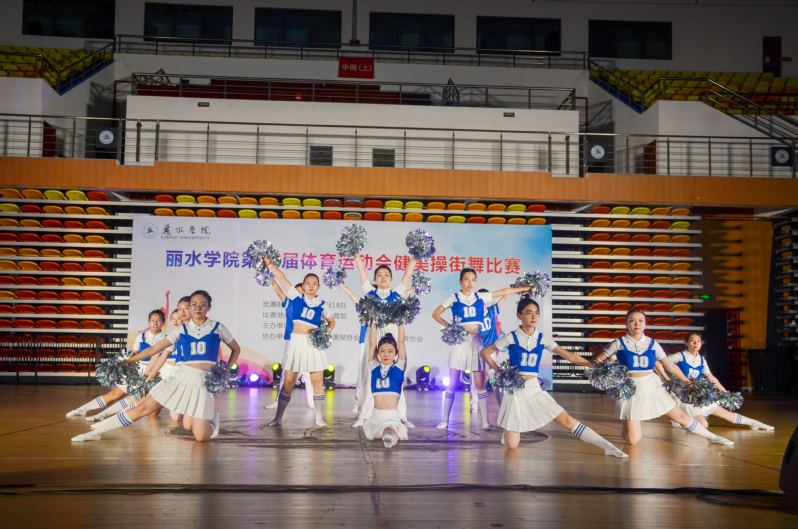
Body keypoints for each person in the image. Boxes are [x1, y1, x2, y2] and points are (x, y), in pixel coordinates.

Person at [71, 290, 241, 442]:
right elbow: (153, 349)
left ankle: (213, 421)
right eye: (194, 304)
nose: (198, 308)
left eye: (202, 304)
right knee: (143, 407)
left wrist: (226, 371)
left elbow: (236, 349)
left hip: (203, 382)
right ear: (190, 307)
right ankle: (96, 433)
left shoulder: (217, 328)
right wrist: (128, 361)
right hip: (181, 377)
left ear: (209, 307)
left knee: (201, 436)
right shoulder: (181, 330)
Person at [480, 299, 627, 456]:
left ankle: (608, 447)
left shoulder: (542, 338)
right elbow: (484, 352)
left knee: (568, 420)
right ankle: (508, 432)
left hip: (534, 389)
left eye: (536, 313)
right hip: (515, 392)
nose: (533, 316)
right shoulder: (511, 337)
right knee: (511, 445)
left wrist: (593, 366)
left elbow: (569, 356)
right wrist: (499, 371)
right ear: (519, 315)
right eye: (528, 313)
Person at [592, 309, 734, 447]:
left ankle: (713, 437)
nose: (637, 324)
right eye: (632, 321)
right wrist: (612, 377)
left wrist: (689, 383)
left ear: (645, 323)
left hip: (652, 385)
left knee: (681, 417)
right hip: (630, 388)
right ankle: (629, 424)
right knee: (632, 440)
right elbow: (597, 360)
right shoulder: (618, 343)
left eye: (641, 320)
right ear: (626, 323)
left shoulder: (652, 343)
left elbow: (670, 366)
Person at [432, 268, 531, 430]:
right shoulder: (453, 297)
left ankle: (486, 422)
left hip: (476, 342)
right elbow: (436, 314)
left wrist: (525, 288)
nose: (470, 283)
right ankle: (444, 420)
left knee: (479, 383)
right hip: (459, 343)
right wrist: (450, 327)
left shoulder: (480, 296)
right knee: (452, 383)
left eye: (473, 279)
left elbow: (504, 292)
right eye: (466, 279)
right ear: (460, 281)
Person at [263, 258, 335, 427]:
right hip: (296, 343)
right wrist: (268, 262)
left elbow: (332, 322)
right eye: (307, 283)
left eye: (314, 283)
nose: (311, 285)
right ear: (303, 285)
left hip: (314, 345)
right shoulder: (296, 297)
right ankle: (278, 417)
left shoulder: (322, 304)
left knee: (317, 382)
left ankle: (319, 418)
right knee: (288, 383)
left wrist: (324, 333)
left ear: (318, 287)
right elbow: (281, 278)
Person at [66, 309, 170, 419]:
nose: (155, 323)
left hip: (153, 374)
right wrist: (122, 363)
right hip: (137, 371)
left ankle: (107, 417)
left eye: (158, 320)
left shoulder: (166, 339)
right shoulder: (142, 336)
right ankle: (82, 410)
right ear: (149, 322)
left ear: (163, 323)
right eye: (152, 320)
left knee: (151, 410)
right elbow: (134, 353)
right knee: (114, 394)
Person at [658, 332, 773, 431]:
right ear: (686, 343)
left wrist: (724, 391)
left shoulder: (701, 359)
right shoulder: (680, 356)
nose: (696, 343)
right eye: (692, 340)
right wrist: (666, 378)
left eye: (698, 341)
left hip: (698, 395)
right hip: (684, 397)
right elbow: (658, 362)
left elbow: (711, 377)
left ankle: (755, 423)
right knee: (703, 425)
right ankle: (680, 420)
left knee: (725, 414)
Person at [352, 254, 415, 429]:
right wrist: (356, 254)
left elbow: (407, 274)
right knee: (369, 376)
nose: (383, 277)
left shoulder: (397, 293)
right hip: (374, 335)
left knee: (396, 376)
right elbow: (362, 270)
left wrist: (414, 258)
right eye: (379, 275)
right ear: (375, 279)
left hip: (392, 335)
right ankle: (363, 416)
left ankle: (401, 416)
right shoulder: (370, 293)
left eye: (386, 274)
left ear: (391, 279)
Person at [264, 282, 314, 411]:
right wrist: (270, 277)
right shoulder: (290, 304)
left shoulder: (309, 307)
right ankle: (278, 401)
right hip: (291, 340)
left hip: (306, 341)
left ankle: (312, 402)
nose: (299, 293)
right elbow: (279, 291)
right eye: (296, 291)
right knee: (286, 372)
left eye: (301, 291)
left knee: (308, 372)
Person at [363, 324, 408, 448]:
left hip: (391, 415)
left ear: (396, 353)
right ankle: (388, 437)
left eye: (390, 351)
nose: (386, 354)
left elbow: (401, 341)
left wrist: (401, 323)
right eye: (382, 351)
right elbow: (372, 344)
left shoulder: (398, 368)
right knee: (377, 430)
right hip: (375, 415)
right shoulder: (374, 367)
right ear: (378, 352)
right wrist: (373, 323)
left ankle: (390, 439)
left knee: (388, 429)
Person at [470, 289, 511, 412]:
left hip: (490, 352)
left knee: (494, 378)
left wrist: (518, 288)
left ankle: (502, 405)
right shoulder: (472, 314)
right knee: (475, 379)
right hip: (476, 350)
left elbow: (505, 296)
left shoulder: (492, 310)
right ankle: (473, 405)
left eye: (485, 299)